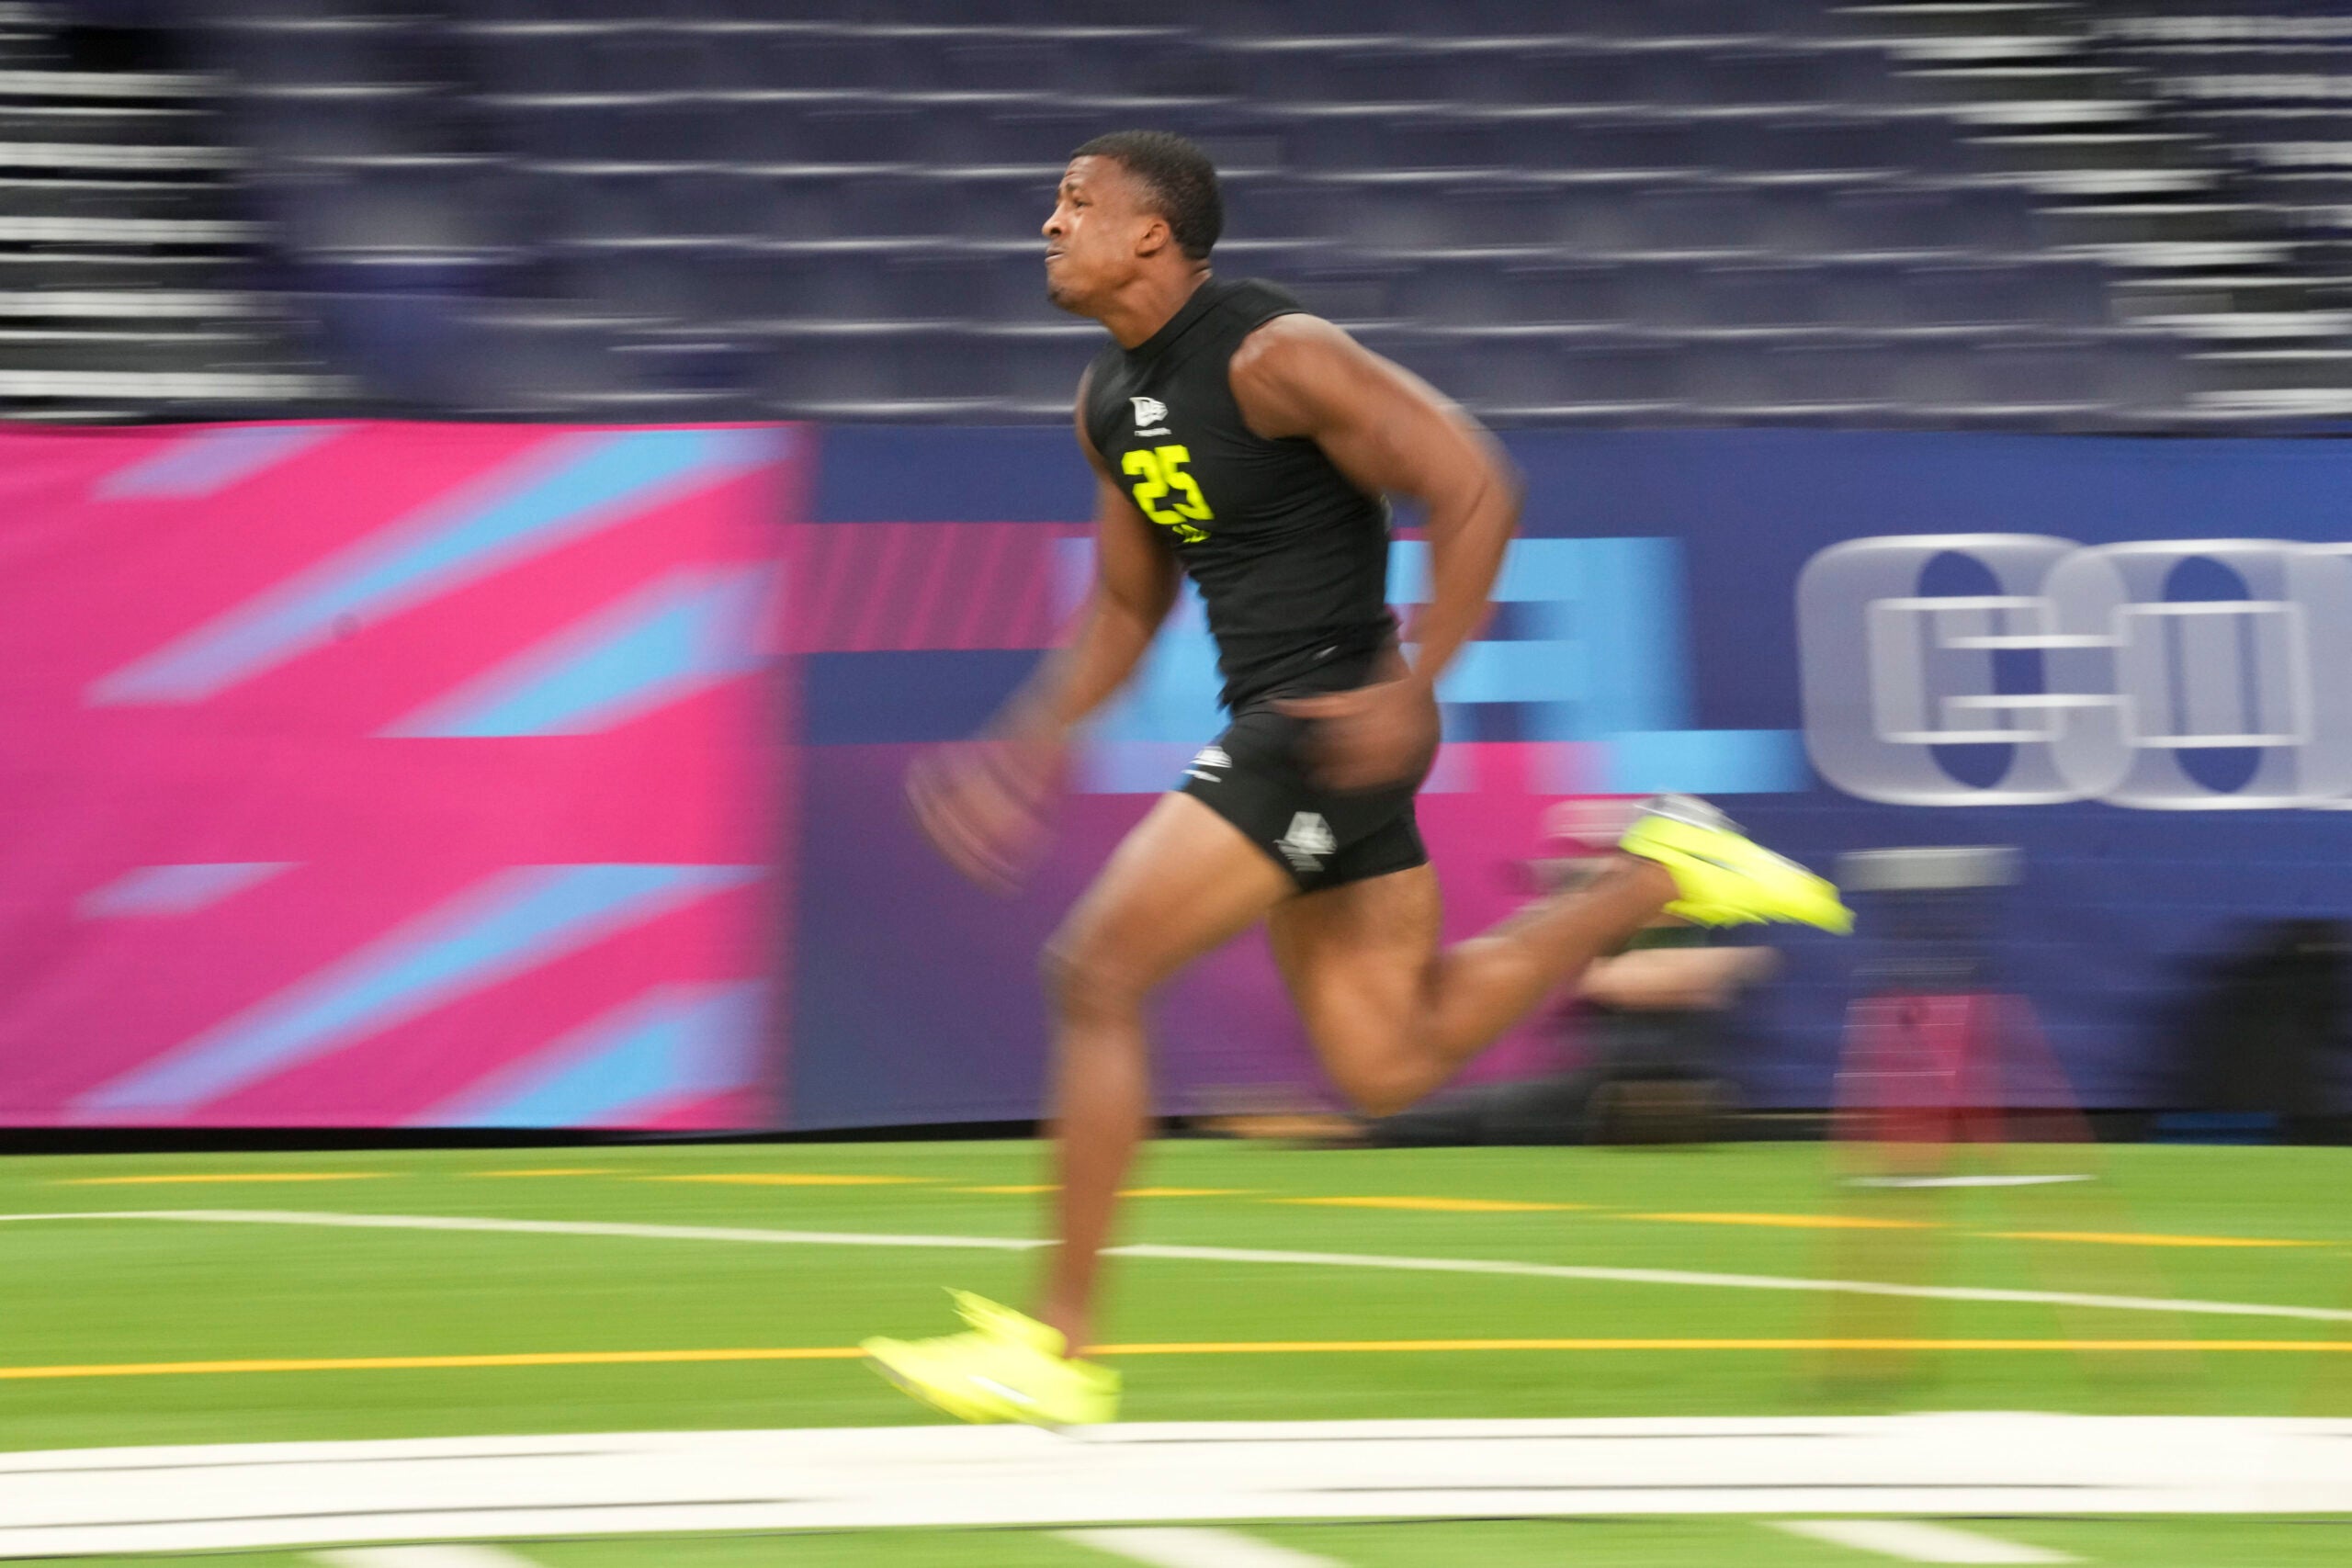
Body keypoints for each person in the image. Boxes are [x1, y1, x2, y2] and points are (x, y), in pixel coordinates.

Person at [863, 130, 1849, 1427]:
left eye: (1074, 201)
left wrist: (1415, 680)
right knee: (1386, 1062)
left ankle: (1057, 1347)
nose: (1049, 224)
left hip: (1327, 719)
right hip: (1306, 734)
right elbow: (1125, 606)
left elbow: (1475, 478)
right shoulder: (1108, 399)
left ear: (1150, 232)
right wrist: (1030, 738)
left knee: (1094, 973)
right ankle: (1654, 872)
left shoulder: (1275, 353)